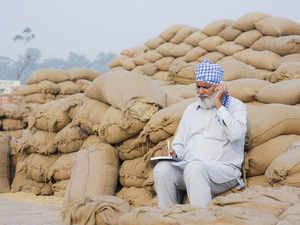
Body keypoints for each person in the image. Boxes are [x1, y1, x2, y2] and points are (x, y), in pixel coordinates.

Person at [153, 60, 247, 208]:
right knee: (162, 169)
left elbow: (235, 134)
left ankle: (200, 218)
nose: (200, 92)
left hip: (223, 171)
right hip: (189, 168)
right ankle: (168, 216)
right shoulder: (191, 109)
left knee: (195, 168)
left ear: (218, 87)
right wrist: (174, 153)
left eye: (206, 87)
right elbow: (180, 142)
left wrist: (219, 105)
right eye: (198, 87)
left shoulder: (235, 107)